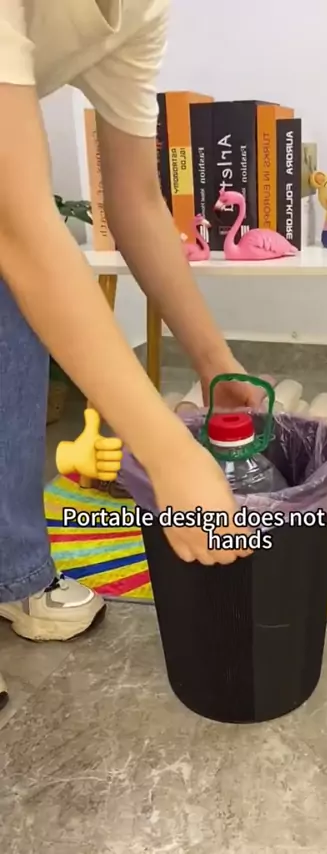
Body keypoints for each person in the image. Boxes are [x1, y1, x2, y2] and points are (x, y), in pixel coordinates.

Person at [0, 0, 259, 710]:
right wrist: (168, 453)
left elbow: (137, 200)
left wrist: (214, 362)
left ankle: (12, 569)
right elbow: (19, 224)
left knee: (15, 312)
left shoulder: (139, 12)